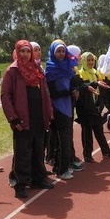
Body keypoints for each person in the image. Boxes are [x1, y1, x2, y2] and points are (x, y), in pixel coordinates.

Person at [1, 40, 54, 199]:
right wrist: (13, 119)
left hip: (38, 116)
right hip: (22, 119)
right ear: (17, 52)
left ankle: (38, 179)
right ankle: (20, 184)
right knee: (22, 153)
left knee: (38, 149)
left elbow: (45, 93)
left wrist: (49, 112)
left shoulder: (37, 69)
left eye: (28, 51)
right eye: (22, 51)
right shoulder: (12, 71)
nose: (25, 54)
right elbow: (5, 96)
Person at [44, 39, 79, 180]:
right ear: (53, 52)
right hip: (58, 108)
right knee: (63, 140)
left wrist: (75, 89)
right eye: (58, 51)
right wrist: (69, 93)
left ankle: (61, 167)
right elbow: (51, 93)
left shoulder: (68, 67)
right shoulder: (51, 69)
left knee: (65, 139)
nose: (61, 53)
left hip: (68, 106)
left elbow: (73, 83)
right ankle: (61, 169)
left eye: (63, 51)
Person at [75, 51, 110, 162]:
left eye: (92, 60)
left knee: (99, 131)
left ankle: (106, 152)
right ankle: (87, 155)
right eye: (88, 60)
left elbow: (99, 91)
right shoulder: (81, 74)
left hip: (95, 107)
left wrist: (100, 105)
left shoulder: (95, 73)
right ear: (83, 61)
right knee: (87, 134)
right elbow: (81, 89)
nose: (91, 62)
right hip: (85, 109)